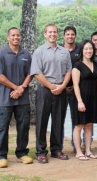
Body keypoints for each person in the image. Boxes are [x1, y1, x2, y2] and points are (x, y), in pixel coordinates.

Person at [31, 23, 72, 163]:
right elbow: (37, 73)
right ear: (45, 34)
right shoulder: (39, 52)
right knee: (42, 121)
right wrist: (51, 86)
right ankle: (41, 151)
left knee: (58, 121)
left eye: (55, 32)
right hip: (44, 90)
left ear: (58, 34)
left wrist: (62, 86)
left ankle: (56, 149)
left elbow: (69, 71)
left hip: (61, 89)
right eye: (50, 32)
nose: (52, 34)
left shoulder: (64, 52)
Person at [0, 27, 33, 168]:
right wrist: (16, 87)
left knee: (23, 126)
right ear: (8, 37)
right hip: (4, 99)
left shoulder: (26, 54)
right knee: (2, 127)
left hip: (22, 98)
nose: (16, 37)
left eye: (18, 35)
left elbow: (30, 74)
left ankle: (22, 153)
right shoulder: (1, 54)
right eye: (13, 35)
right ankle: (1, 155)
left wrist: (21, 88)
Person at [72, 40, 97, 161]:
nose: (88, 51)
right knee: (79, 125)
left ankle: (88, 150)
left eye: (90, 49)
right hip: (81, 99)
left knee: (89, 125)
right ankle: (79, 152)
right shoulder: (77, 65)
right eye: (86, 49)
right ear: (82, 51)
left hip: (93, 98)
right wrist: (79, 101)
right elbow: (75, 85)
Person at [63, 26, 81, 152]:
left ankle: (76, 145)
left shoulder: (80, 49)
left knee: (77, 119)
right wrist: (63, 86)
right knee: (59, 118)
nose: (70, 36)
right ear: (64, 36)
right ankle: (58, 147)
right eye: (68, 34)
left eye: (72, 34)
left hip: (77, 90)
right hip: (62, 89)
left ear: (75, 36)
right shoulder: (58, 50)